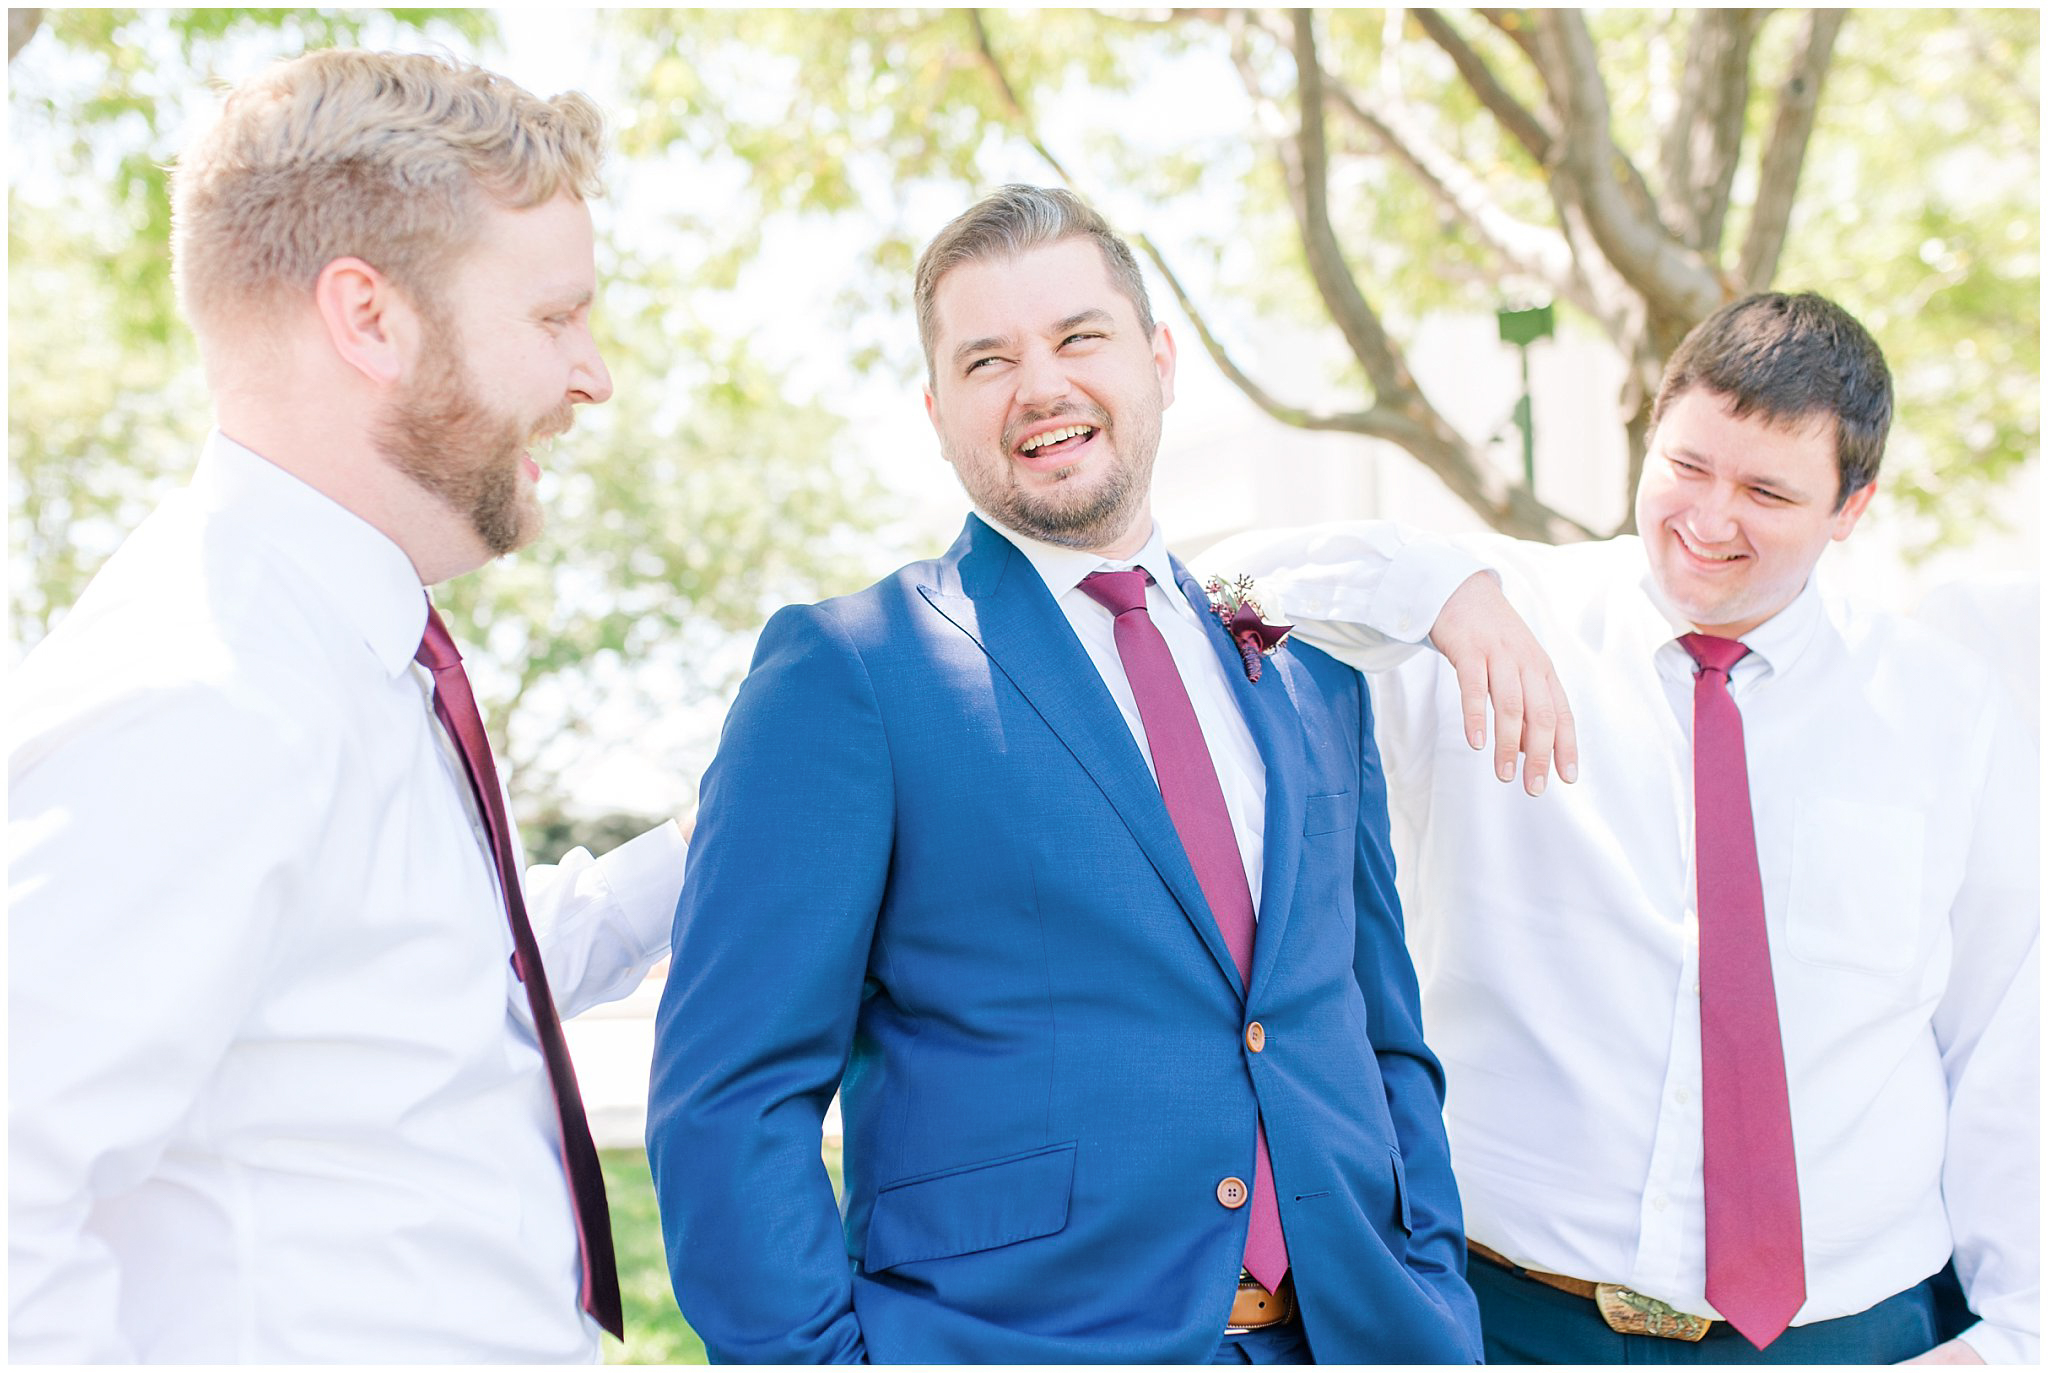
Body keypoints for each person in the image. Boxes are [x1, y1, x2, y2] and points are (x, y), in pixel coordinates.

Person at [644, 185, 1484, 1363]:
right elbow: (730, 1097)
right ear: (937, 412)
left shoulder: (1309, 682)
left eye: (1077, 337)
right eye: (986, 359)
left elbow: (1380, 1032)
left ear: (1157, 359)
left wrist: (1427, 1275)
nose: (1040, 384)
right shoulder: (854, 670)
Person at [7, 51, 687, 1362]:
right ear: (370, 318)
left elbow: (429, 977)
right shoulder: (205, 689)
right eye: (555, 319)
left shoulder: (339, 658)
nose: (593, 374)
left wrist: (704, 850)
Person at [1213, 293, 2038, 1364]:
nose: (1707, 517)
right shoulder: (1494, 619)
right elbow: (1213, 594)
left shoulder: (1946, 708)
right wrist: (1433, 587)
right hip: (1506, 1313)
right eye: (1686, 466)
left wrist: (2017, 1333)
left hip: (1845, 1336)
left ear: (1851, 505)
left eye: (1764, 490)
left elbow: (2006, 1033)